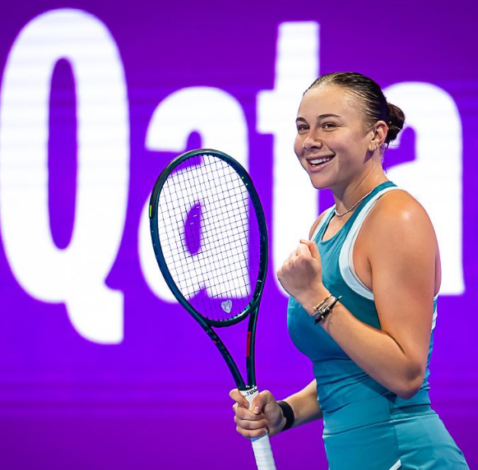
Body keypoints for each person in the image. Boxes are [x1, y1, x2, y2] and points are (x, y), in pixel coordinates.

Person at [230, 72, 469, 469]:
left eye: (329, 125)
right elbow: (348, 372)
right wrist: (285, 413)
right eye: (302, 127)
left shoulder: (397, 216)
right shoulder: (323, 226)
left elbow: (406, 374)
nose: (310, 140)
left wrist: (315, 297)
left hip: (408, 456)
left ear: (376, 135)